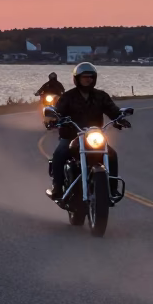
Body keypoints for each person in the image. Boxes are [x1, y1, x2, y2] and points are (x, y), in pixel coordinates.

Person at [45, 62, 129, 201]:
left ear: (94, 78)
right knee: (59, 154)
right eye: (84, 77)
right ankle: (57, 187)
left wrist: (119, 119)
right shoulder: (68, 96)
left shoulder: (101, 96)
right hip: (71, 136)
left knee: (112, 155)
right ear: (77, 78)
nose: (88, 79)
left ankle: (112, 188)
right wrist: (54, 120)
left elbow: (112, 110)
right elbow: (58, 112)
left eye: (90, 77)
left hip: (94, 137)